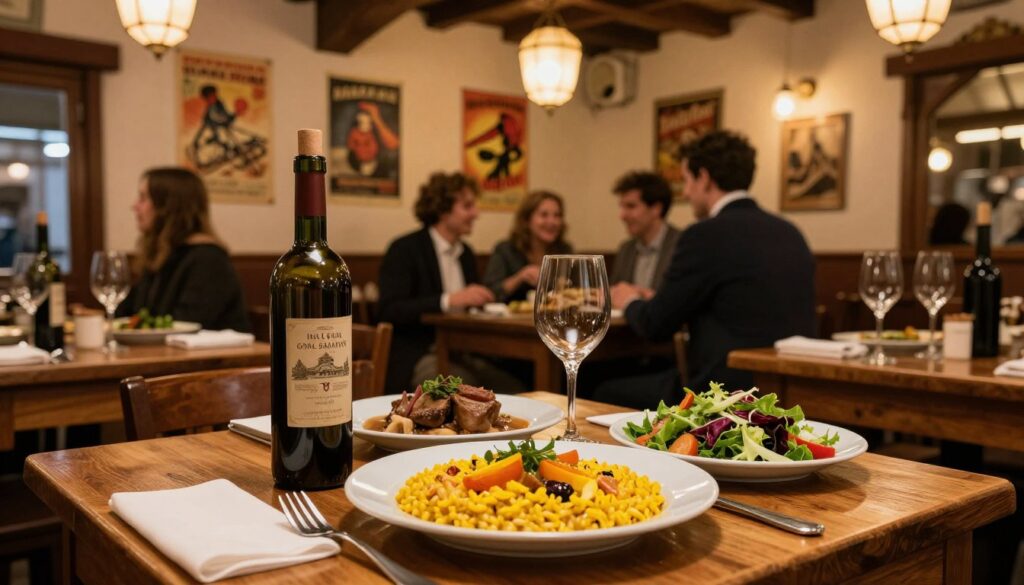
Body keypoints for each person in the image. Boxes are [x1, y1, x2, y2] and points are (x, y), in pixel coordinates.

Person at [598, 130, 815, 408]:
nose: (686, 192)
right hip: (788, 391)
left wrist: (627, 299)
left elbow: (655, 325)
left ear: (704, 177)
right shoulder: (789, 232)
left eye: (687, 180)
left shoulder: (704, 235)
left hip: (722, 395)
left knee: (603, 389)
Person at [379, 171, 523, 394]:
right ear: (442, 209)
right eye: (467, 206)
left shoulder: (465, 253)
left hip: (463, 352)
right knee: (462, 390)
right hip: (419, 353)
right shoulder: (405, 249)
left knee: (515, 388)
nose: (476, 213)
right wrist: (448, 300)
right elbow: (390, 309)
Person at [116, 167, 251, 332]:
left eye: (143, 198)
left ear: (167, 206)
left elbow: (186, 326)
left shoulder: (208, 260)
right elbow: (128, 315)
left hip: (213, 356)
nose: (134, 206)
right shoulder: (162, 255)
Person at [483, 190, 572, 302]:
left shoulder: (564, 250)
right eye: (544, 215)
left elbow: (576, 291)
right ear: (527, 220)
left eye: (557, 215)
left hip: (553, 317)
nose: (552, 222)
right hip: (510, 318)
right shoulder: (506, 250)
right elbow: (490, 292)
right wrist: (520, 277)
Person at [609, 171, 681, 292]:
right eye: (622, 207)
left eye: (631, 206)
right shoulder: (626, 249)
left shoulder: (682, 245)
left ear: (656, 209)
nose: (622, 215)